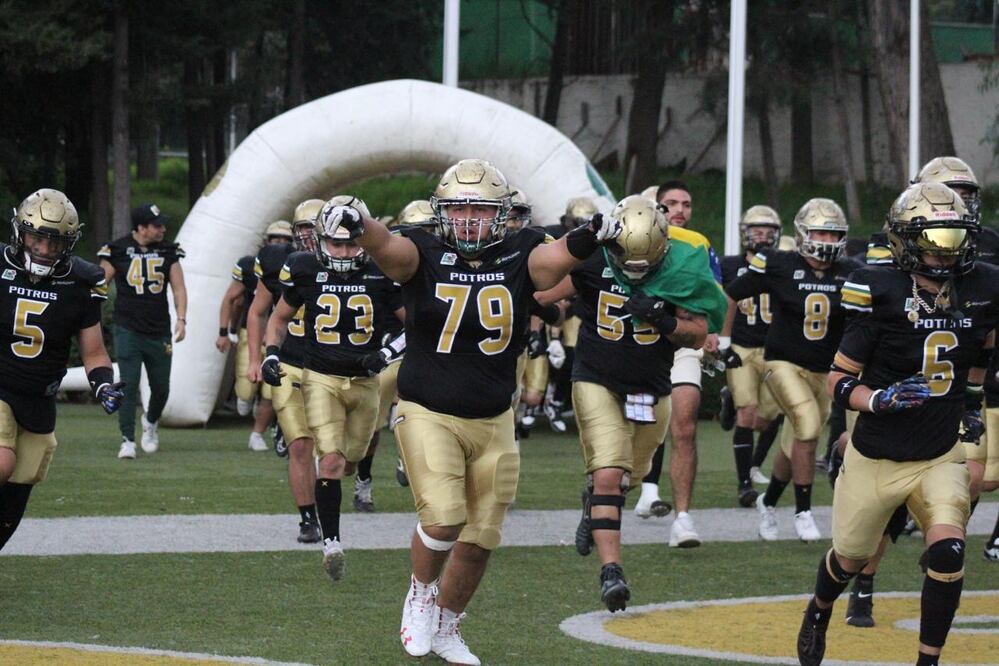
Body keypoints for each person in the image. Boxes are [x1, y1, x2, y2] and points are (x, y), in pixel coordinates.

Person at [324, 158, 621, 665]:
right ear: (441, 211)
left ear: (502, 213)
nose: (466, 218)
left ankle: (446, 624)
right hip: (427, 409)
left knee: (482, 537)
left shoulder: (522, 249)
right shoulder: (421, 247)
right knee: (443, 520)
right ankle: (419, 594)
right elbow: (388, 249)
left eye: (479, 208)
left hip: (494, 417)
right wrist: (358, 221)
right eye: (458, 207)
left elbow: (552, 263)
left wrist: (594, 232)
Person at [796, 181, 998, 666]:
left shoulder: (985, 285)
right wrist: (879, 399)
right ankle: (820, 608)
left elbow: (982, 344)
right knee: (848, 559)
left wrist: (971, 400)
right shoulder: (879, 289)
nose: (945, 254)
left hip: (938, 452)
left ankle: (928, 660)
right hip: (876, 453)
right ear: (906, 241)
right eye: (933, 241)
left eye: (954, 239)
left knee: (949, 552)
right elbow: (838, 379)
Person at [538, 195, 720, 612]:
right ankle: (611, 571)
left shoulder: (679, 266)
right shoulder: (591, 259)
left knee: (625, 482)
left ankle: (595, 507)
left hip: (653, 387)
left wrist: (664, 318)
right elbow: (548, 291)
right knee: (608, 475)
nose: (635, 270)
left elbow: (698, 332)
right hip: (596, 378)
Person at [264, 195, 405, 581]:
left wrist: (387, 352)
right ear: (321, 240)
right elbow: (277, 318)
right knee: (328, 459)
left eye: (351, 243)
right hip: (320, 377)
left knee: (351, 461)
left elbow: (418, 325)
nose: (343, 251)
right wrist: (271, 355)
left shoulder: (381, 270)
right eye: (336, 243)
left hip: (365, 381)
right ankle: (332, 544)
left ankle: (344, 487)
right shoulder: (303, 267)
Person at [725, 198, 860, 543]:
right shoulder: (778, 263)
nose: (827, 242)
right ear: (802, 234)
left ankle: (768, 503)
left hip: (824, 371)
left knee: (793, 443)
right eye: (820, 234)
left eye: (834, 235)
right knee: (809, 427)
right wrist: (723, 337)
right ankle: (803, 511)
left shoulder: (850, 272)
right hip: (782, 362)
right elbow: (731, 294)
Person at [0, 189, 124, 551]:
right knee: (3, 463)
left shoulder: (83, 282)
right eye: (37, 237)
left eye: (54, 243)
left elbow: (95, 352)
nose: (43, 249)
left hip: (39, 398)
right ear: (19, 233)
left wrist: (103, 386)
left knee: (16, 496)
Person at [635, 181, 723, 548]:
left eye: (686, 203)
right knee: (638, 432)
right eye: (671, 203)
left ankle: (683, 518)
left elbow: (716, 294)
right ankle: (617, 492)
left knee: (684, 426)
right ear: (655, 207)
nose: (680, 210)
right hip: (639, 343)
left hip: (682, 342)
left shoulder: (698, 245)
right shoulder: (635, 237)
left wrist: (714, 330)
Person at [247, 199, 323, 543]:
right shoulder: (280, 261)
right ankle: (308, 519)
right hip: (291, 364)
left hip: (334, 369)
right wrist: (255, 358)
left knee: (344, 456)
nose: (309, 237)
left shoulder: (355, 262)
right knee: (302, 446)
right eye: (303, 230)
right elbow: (258, 310)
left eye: (314, 228)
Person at [98, 203, 187, 459]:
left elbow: (179, 288)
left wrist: (181, 318)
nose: (163, 229)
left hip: (159, 329)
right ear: (141, 227)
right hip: (128, 328)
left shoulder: (169, 251)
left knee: (162, 388)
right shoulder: (117, 249)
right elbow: (100, 283)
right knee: (127, 382)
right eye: (157, 225)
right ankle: (127, 439)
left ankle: (151, 420)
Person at [718, 205, 784, 507]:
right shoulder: (729, 265)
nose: (763, 236)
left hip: (774, 350)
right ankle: (744, 484)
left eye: (769, 232)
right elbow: (718, 301)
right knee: (748, 413)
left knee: (766, 418)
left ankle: (728, 399)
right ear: (745, 234)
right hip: (742, 347)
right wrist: (723, 340)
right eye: (757, 230)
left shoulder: (783, 264)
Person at [215, 221, 293, 451]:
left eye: (284, 240)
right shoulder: (250, 265)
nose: (279, 244)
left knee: (272, 392)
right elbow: (232, 299)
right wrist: (224, 332)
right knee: (246, 389)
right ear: (266, 241)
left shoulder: (297, 267)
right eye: (275, 239)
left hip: (281, 335)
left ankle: (257, 433)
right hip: (253, 331)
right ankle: (249, 399)